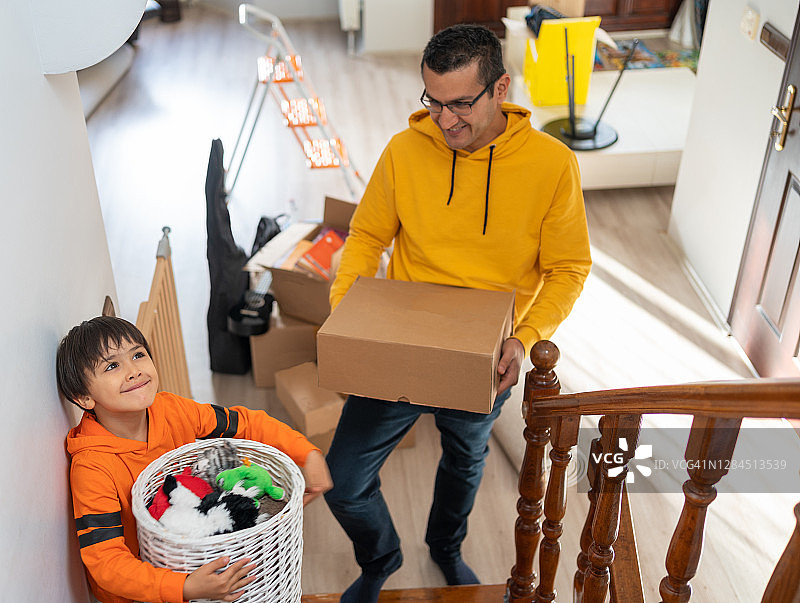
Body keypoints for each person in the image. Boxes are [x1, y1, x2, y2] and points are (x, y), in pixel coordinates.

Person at [323, 24, 592, 602]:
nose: (445, 121)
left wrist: (524, 338)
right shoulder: (404, 150)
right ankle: (381, 559)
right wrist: (345, 313)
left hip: (484, 354)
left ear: (500, 88)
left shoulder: (552, 165)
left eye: (461, 104)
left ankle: (445, 546)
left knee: (465, 460)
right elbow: (368, 236)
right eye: (434, 102)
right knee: (342, 482)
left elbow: (570, 268)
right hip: (398, 342)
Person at [58, 316, 332, 603]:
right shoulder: (92, 466)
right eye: (112, 366)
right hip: (142, 591)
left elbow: (246, 423)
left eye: (138, 355)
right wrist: (184, 587)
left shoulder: (172, 409)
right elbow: (106, 563)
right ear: (83, 397)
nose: (133, 371)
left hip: (199, 550)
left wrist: (307, 453)